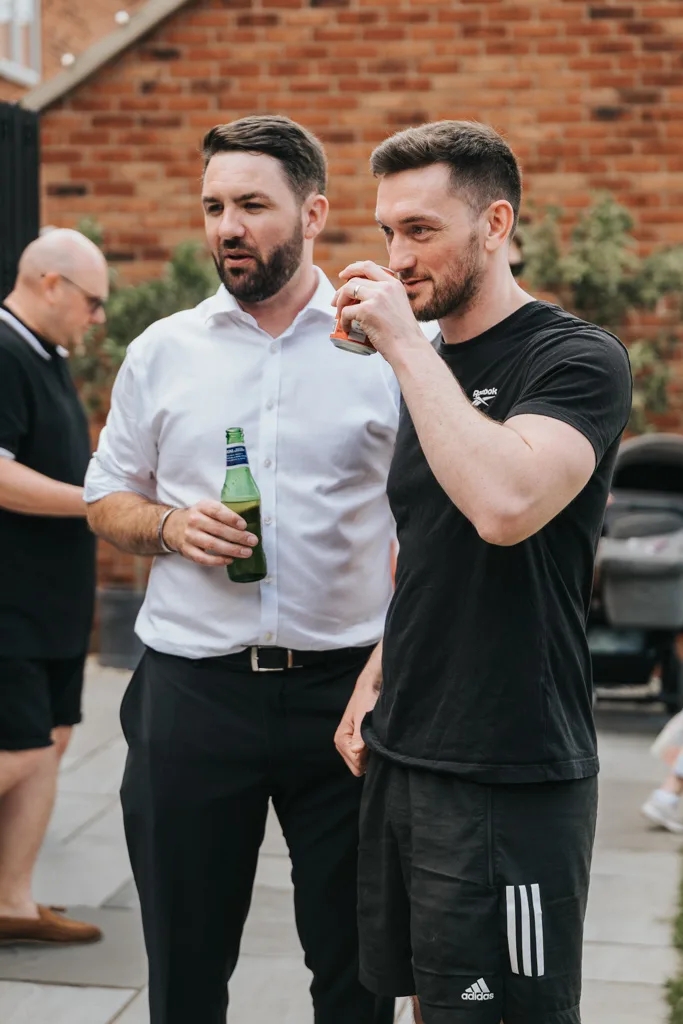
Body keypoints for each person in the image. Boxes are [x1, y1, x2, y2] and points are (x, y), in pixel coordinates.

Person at [84, 115, 398, 1024]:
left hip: (346, 697)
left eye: (253, 205)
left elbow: (432, 523)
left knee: (357, 971)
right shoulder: (163, 352)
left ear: (313, 214)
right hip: (192, 692)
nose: (228, 226)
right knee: (184, 966)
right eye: (215, 205)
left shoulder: (385, 351)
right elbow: (106, 497)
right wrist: (173, 525)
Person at [334, 121, 633, 1024]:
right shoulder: (430, 366)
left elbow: (504, 508)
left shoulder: (576, 358)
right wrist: (377, 674)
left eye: (420, 230)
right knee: (430, 1001)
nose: (397, 256)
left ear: (494, 224)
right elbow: (436, 546)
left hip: (509, 762)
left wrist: (405, 350)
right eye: (387, 231)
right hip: (408, 742)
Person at [0, 229, 109, 944]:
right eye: (93, 301)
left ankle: (10, 904)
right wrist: (97, 502)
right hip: (9, 604)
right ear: (49, 284)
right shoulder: (4, 350)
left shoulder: (45, 353)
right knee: (25, 746)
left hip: (52, 605)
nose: (98, 317)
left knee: (55, 738)